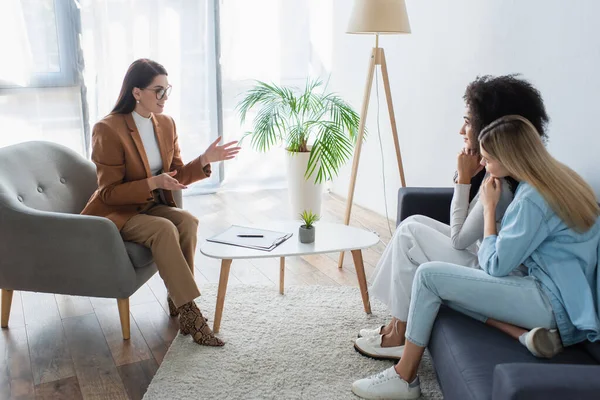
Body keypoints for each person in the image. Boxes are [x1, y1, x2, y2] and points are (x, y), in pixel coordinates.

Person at [352, 115, 600, 399]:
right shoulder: (562, 178)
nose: (484, 164)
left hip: (548, 302)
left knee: (429, 276)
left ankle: (404, 376)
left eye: (488, 159)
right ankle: (520, 335)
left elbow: (494, 265)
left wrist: (490, 208)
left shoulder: (532, 198)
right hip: (564, 301)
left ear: (509, 157)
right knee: (442, 285)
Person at [355, 75, 553, 360]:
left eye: (469, 121)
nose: (462, 129)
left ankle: (399, 331)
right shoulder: (505, 170)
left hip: (498, 273)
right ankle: (398, 323)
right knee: (413, 224)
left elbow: (459, 239)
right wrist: (469, 176)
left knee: (411, 233)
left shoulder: (504, 184)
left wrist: (462, 180)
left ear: (490, 124)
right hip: (490, 260)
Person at [81, 59, 240, 346]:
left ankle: (176, 298)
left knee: (187, 221)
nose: (164, 98)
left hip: (151, 205)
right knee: (164, 229)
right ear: (136, 92)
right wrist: (153, 182)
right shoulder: (108, 129)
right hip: (118, 213)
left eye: (167, 90)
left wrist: (204, 160)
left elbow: (176, 173)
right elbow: (108, 193)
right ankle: (190, 312)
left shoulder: (166, 124)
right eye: (158, 91)